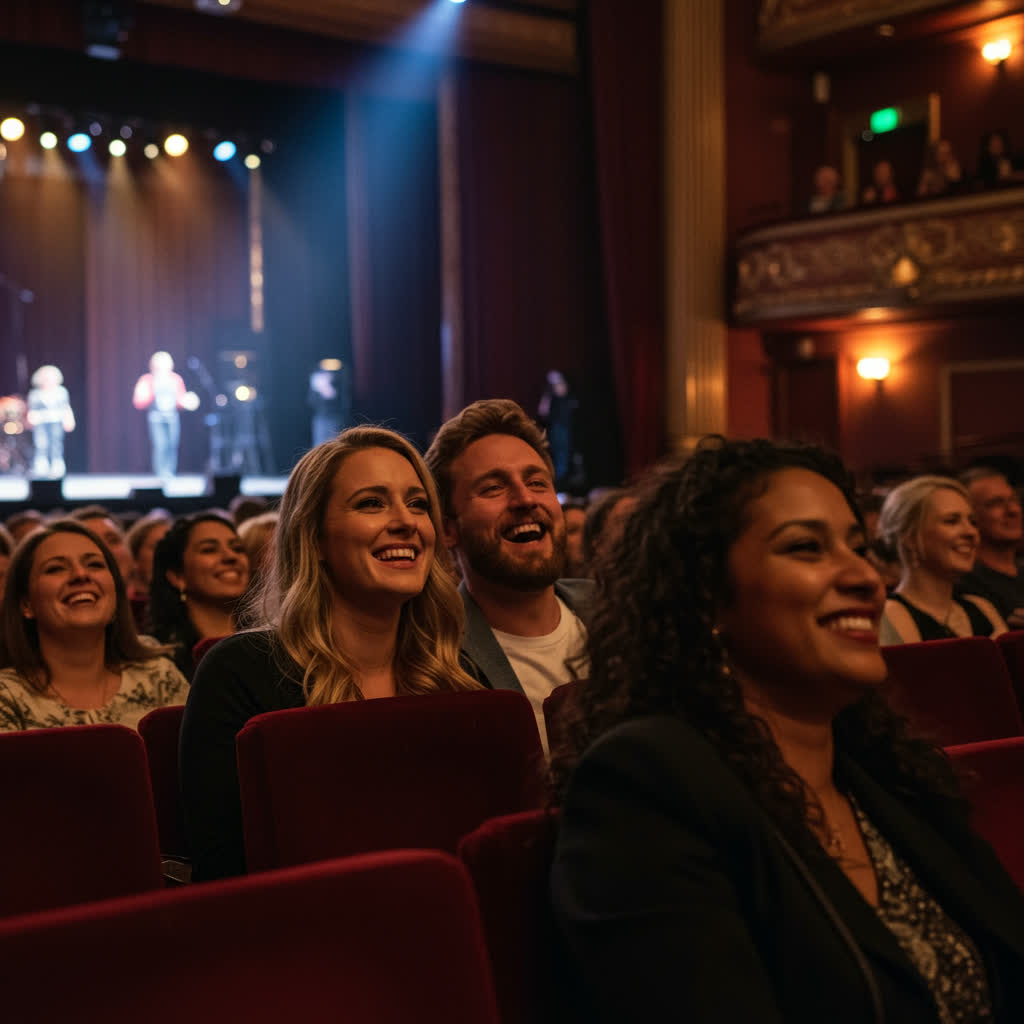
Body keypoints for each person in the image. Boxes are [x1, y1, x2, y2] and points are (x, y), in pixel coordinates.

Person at [549, 437, 1024, 1022]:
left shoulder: (888, 770)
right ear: (706, 599)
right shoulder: (645, 784)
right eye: (806, 548)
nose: (866, 578)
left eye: (860, 546)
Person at [179, 426, 482, 881]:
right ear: (315, 538)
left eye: (418, 503)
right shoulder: (241, 673)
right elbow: (225, 871)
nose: (406, 521)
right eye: (371, 503)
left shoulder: (457, 674)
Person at [425, 399, 593, 747]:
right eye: (492, 488)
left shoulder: (622, 615)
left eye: (537, 482)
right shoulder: (429, 658)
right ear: (447, 530)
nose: (524, 499)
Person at [0, 520, 188, 731]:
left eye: (95, 564)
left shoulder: (158, 675)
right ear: (26, 603)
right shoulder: (6, 697)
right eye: (55, 568)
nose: (81, 575)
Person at [877, 475, 1006, 644]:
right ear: (909, 538)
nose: (971, 532)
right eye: (952, 521)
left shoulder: (982, 608)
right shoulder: (889, 615)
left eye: (972, 522)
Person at [149, 513, 250, 681]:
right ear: (177, 576)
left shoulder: (272, 644)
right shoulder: (158, 659)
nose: (231, 557)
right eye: (209, 550)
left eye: (238, 548)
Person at [958, 467, 1024, 629]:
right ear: (970, 517)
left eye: (1013, 500)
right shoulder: (964, 584)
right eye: (996, 503)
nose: (1013, 510)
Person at [132, 351, 199, 478]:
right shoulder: (147, 380)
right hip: (156, 417)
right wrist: (151, 393)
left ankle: (170, 472)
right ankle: (160, 473)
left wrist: (187, 402)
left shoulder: (175, 379)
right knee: (160, 445)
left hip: (172, 417)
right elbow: (138, 401)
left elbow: (180, 399)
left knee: (172, 445)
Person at [26, 364, 74, 478]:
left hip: (56, 421)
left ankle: (57, 466)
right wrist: (30, 419)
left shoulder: (61, 392)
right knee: (41, 444)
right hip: (40, 422)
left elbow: (66, 407)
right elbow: (32, 409)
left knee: (56, 444)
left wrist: (69, 419)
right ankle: (41, 467)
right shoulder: (35, 393)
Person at [308, 358, 352, 447]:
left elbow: (343, 401)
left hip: (336, 418)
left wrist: (328, 386)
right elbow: (310, 401)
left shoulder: (340, 383)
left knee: (335, 443)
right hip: (321, 417)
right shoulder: (317, 385)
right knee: (319, 444)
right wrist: (319, 388)